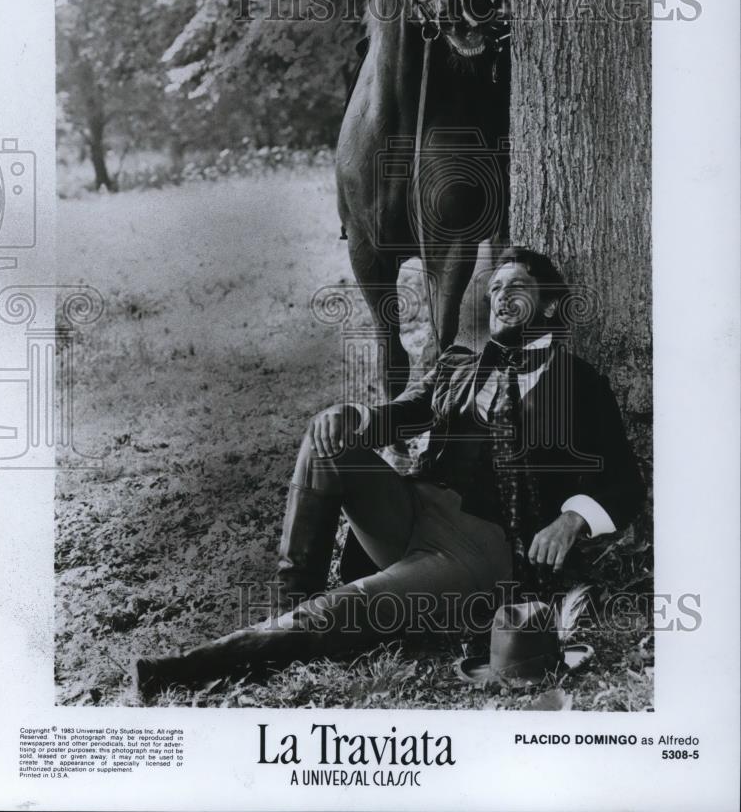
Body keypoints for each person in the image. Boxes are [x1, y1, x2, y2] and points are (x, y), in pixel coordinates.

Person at [133, 247, 643, 699]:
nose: (502, 296)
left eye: (519, 287)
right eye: (495, 288)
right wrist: (356, 417)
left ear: (550, 304)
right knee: (325, 434)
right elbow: (405, 411)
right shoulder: (459, 365)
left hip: (476, 547)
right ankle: (292, 600)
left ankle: (185, 668)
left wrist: (571, 520)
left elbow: (622, 479)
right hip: (408, 510)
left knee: (349, 607)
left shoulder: (577, 382)